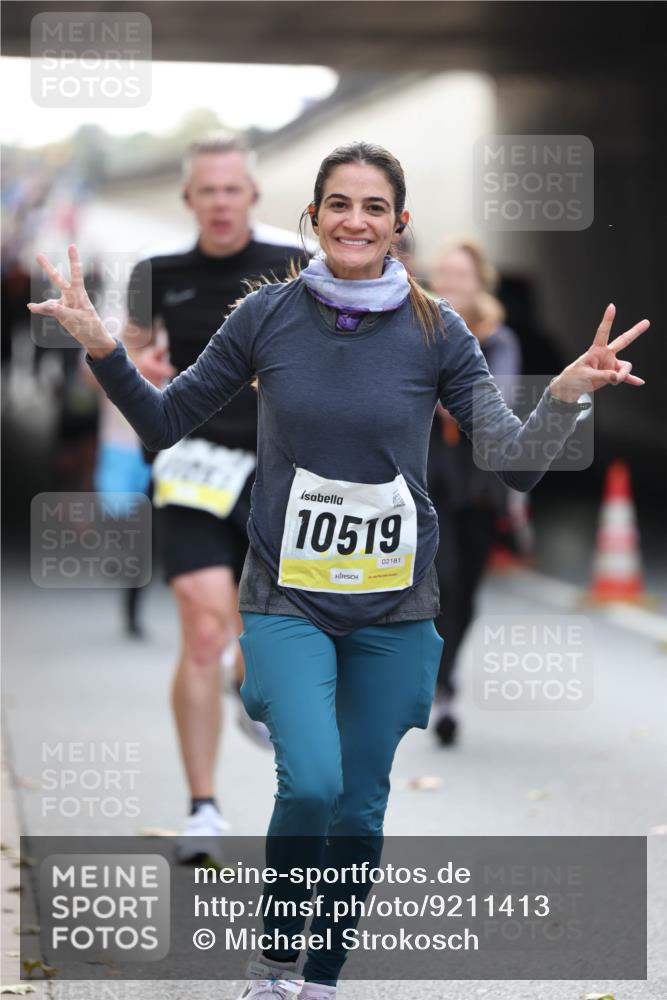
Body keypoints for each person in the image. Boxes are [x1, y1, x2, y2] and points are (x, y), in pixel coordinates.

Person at [29, 141, 649, 1000]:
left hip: (396, 606)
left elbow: (512, 463)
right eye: (337, 204)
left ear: (399, 224)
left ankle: (320, 976)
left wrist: (564, 394)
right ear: (311, 217)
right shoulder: (266, 317)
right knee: (311, 783)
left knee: (358, 808)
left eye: (372, 206)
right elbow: (167, 421)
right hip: (286, 595)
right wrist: (103, 347)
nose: (354, 220)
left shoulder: (439, 330)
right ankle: (275, 961)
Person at [122, 132, 307, 857]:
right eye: (209, 190)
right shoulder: (157, 272)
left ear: (253, 196)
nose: (221, 202)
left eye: (233, 189)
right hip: (192, 469)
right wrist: (138, 366)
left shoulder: (291, 269)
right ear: (190, 198)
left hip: (278, 475)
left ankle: (246, 675)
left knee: (260, 634)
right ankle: (203, 807)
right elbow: (112, 366)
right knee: (203, 624)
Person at [427, 237, 522, 746]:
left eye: (461, 275)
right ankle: (439, 688)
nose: (451, 284)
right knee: (440, 582)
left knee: (467, 592)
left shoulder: (497, 337)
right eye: (444, 274)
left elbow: (495, 401)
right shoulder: (417, 325)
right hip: (428, 477)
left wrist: (449, 393)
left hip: (480, 482)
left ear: (479, 282)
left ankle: (445, 676)